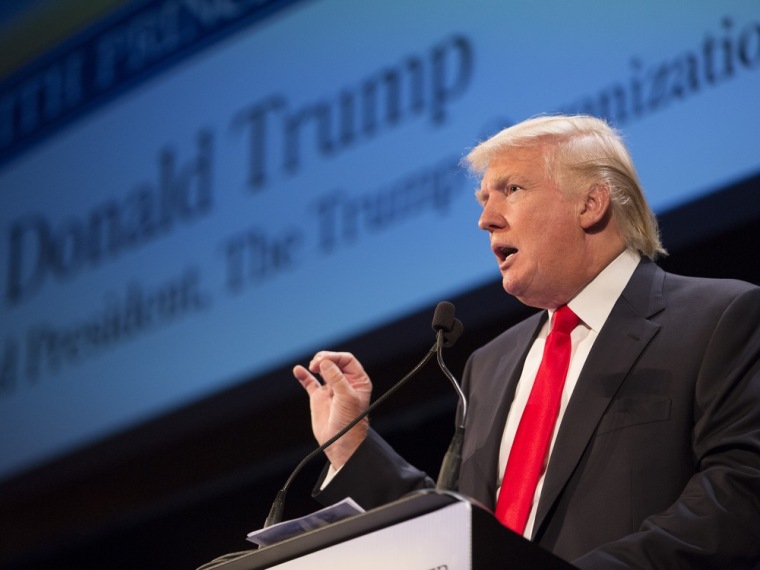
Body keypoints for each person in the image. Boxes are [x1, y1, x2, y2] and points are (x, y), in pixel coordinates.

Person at [291, 114, 760, 569]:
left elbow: (739, 497)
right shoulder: (488, 366)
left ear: (591, 203)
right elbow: (453, 531)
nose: (485, 219)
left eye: (511, 190)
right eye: (482, 198)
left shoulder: (719, 318)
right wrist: (352, 445)